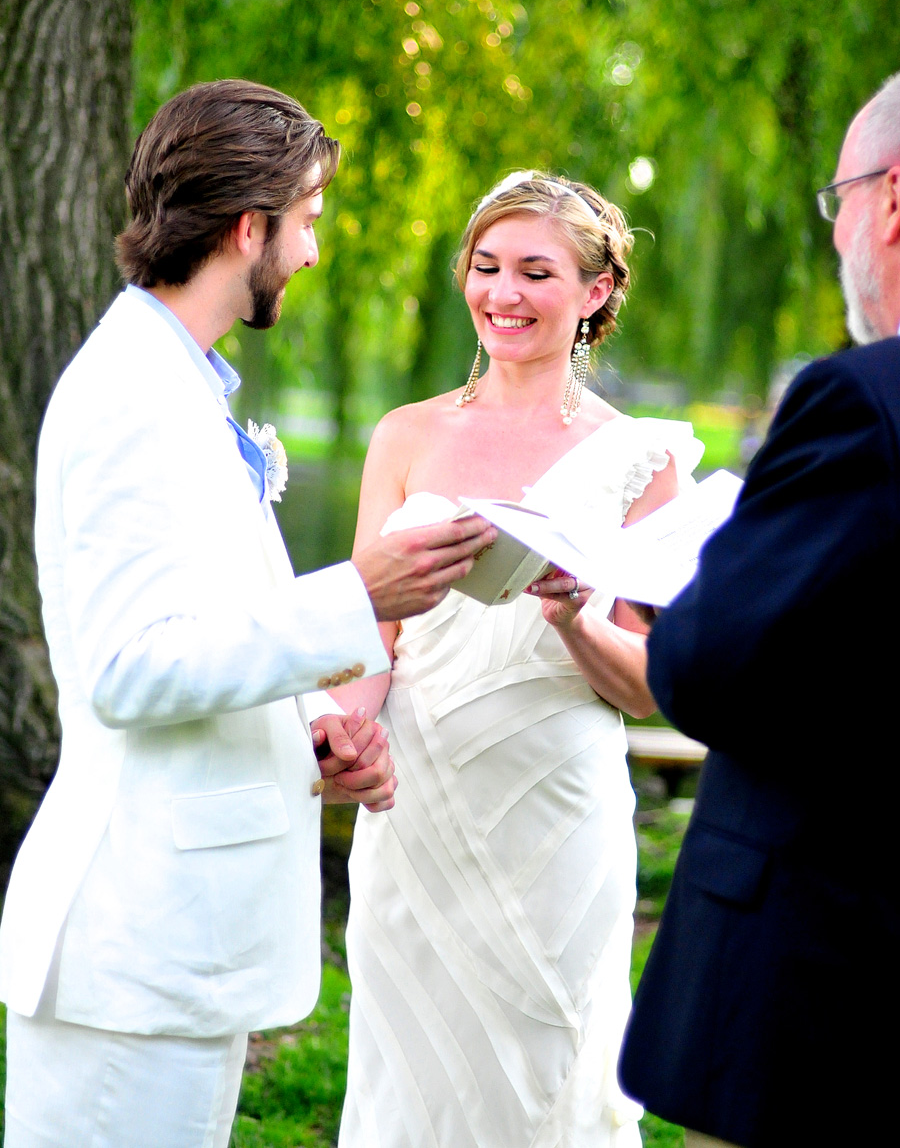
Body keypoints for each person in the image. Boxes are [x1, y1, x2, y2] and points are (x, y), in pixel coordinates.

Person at [0, 79, 495, 1148]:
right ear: (247, 226)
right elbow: (127, 670)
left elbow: (198, 628)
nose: (312, 253)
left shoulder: (179, 384)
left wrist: (308, 720)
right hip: (137, 953)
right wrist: (358, 595)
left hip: (179, 949)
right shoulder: (131, 393)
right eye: (307, 221)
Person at [332, 171, 703, 1148]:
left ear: (595, 291)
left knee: (548, 1072)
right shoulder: (405, 434)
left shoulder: (642, 457)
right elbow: (374, 628)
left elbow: (655, 681)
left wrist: (577, 620)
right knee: (410, 1075)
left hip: (556, 811)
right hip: (415, 800)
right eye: (486, 265)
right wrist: (351, 727)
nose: (503, 292)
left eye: (536, 270)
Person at [618, 77, 900, 1147]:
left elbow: (713, 662)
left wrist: (680, 597)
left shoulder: (864, 399)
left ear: (892, 198)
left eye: (838, 201)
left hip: (827, 979)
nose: (837, 237)